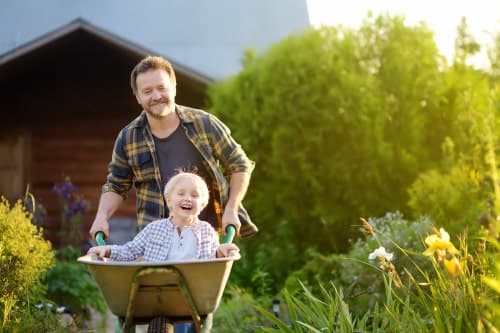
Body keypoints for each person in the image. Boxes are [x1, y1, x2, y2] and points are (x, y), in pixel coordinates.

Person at [89, 55, 258, 240]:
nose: (156, 96)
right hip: (155, 241)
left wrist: (231, 209)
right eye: (147, 91)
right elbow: (116, 185)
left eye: (162, 88)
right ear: (138, 97)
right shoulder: (129, 137)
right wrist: (101, 217)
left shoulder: (204, 124)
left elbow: (240, 165)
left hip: (207, 239)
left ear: (174, 88)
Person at [87, 172, 239, 261]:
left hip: (195, 290)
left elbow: (213, 258)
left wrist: (222, 251)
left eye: (195, 195)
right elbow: (130, 251)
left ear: (203, 204)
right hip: (156, 287)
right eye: (181, 194)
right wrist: (107, 250)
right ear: (169, 201)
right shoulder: (154, 229)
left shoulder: (206, 231)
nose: (188, 199)